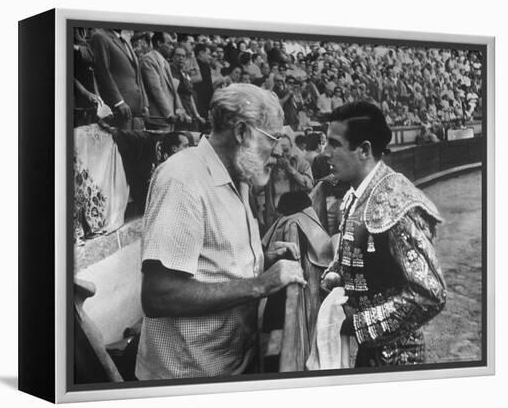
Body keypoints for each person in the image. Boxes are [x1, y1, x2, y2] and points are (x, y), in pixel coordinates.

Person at [135, 84, 306, 379]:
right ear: (241, 132)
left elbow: (214, 263)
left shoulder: (238, 174)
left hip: (231, 364)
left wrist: (262, 258)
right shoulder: (183, 180)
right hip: (187, 379)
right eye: (273, 138)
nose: (278, 150)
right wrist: (261, 284)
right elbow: (159, 296)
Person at [321, 101, 446, 367]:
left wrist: (358, 324)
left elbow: (430, 293)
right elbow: (360, 255)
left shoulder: (397, 202)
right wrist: (336, 274)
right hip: (372, 352)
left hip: (399, 357)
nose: (324, 152)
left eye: (334, 144)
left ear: (364, 150)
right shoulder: (358, 194)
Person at [90, 28, 149, 130]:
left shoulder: (124, 40)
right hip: (120, 110)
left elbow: (137, 76)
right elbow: (103, 71)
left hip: (137, 112)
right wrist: (118, 102)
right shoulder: (100, 37)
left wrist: (145, 104)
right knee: (121, 144)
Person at [140, 32, 187, 131]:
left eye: (173, 45)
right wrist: (168, 113)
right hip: (159, 117)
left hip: (168, 118)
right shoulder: (149, 59)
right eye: (169, 44)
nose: (172, 47)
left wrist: (179, 109)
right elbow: (156, 89)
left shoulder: (165, 62)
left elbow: (173, 90)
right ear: (159, 43)